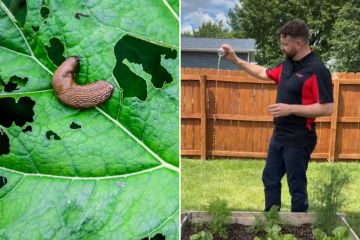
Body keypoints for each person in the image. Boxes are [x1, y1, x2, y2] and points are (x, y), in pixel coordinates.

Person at [221, 19, 333, 212]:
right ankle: (272, 221)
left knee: (296, 186)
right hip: (279, 135)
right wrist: (236, 60)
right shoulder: (287, 65)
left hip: (299, 137)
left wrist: (290, 109)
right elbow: (264, 73)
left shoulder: (317, 70)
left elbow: (327, 108)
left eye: (285, 44)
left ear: (298, 44)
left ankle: (299, 227)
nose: (282, 48)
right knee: (270, 178)